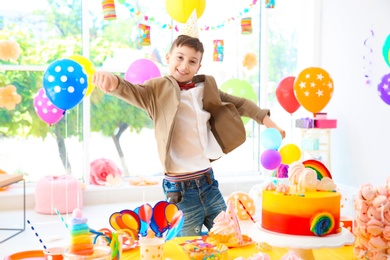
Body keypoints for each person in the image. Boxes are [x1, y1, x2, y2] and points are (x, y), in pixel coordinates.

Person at [93, 34, 286, 237]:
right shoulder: (155, 90)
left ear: (199, 67)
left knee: (231, 237)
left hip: (208, 182)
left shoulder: (207, 87)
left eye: (192, 61)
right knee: (187, 247)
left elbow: (242, 104)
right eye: (180, 57)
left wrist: (270, 123)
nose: (184, 65)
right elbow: (130, 90)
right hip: (180, 191)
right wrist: (113, 81)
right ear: (168, 57)